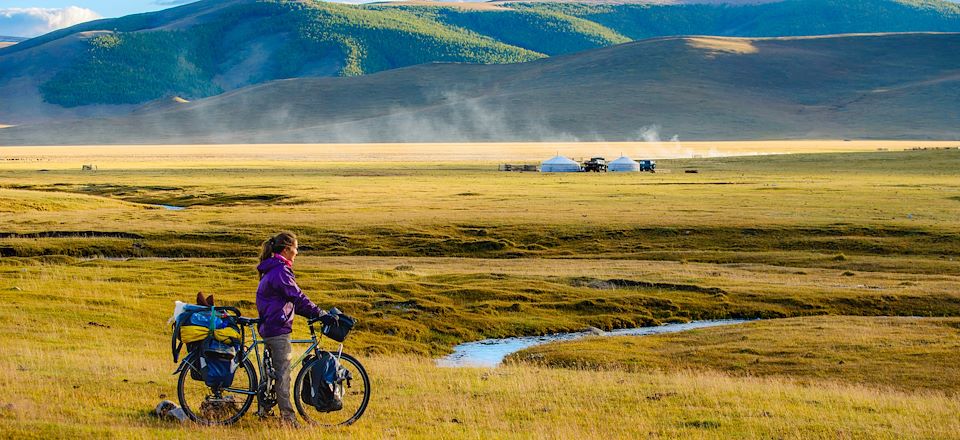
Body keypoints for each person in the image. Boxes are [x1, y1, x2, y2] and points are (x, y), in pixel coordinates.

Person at [256, 231, 323, 427]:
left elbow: (293, 299)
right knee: (283, 373)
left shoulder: (272, 269)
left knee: (270, 372)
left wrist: (311, 311)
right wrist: (319, 312)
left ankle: (263, 410)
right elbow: (297, 296)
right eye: (295, 248)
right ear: (286, 249)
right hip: (277, 328)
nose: (297, 252)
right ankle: (288, 419)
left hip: (270, 326)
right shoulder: (280, 271)